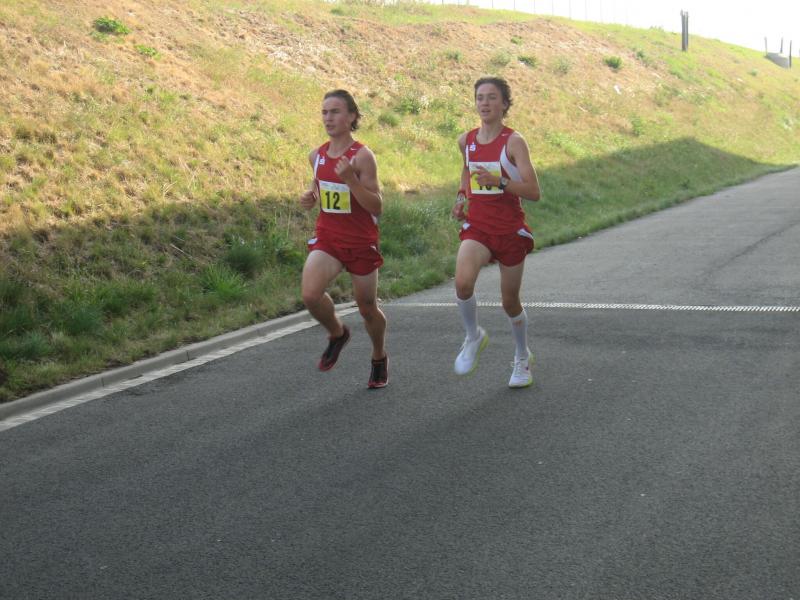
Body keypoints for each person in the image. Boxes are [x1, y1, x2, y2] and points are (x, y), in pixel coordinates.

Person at [451, 76, 541, 388]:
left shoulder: (514, 142)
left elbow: (533, 191)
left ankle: (522, 356)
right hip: (478, 227)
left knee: (509, 301)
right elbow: (467, 170)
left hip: (509, 230)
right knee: (462, 283)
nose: (485, 103)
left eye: (492, 97)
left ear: (504, 104)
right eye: (480, 97)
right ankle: (473, 336)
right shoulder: (466, 140)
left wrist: (500, 181)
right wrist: (461, 197)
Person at [299, 89, 388, 389]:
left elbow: (376, 206)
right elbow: (319, 187)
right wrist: (310, 197)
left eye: (335, 112)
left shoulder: (362, 156)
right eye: (324, 112)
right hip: (329, 238)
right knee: (310, 295)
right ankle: (337, 333)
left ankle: (378, 356)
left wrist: (351, 180)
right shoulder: (316, 155)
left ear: (351, 116)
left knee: (367, 307)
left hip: (361, 241)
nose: (328, 118)